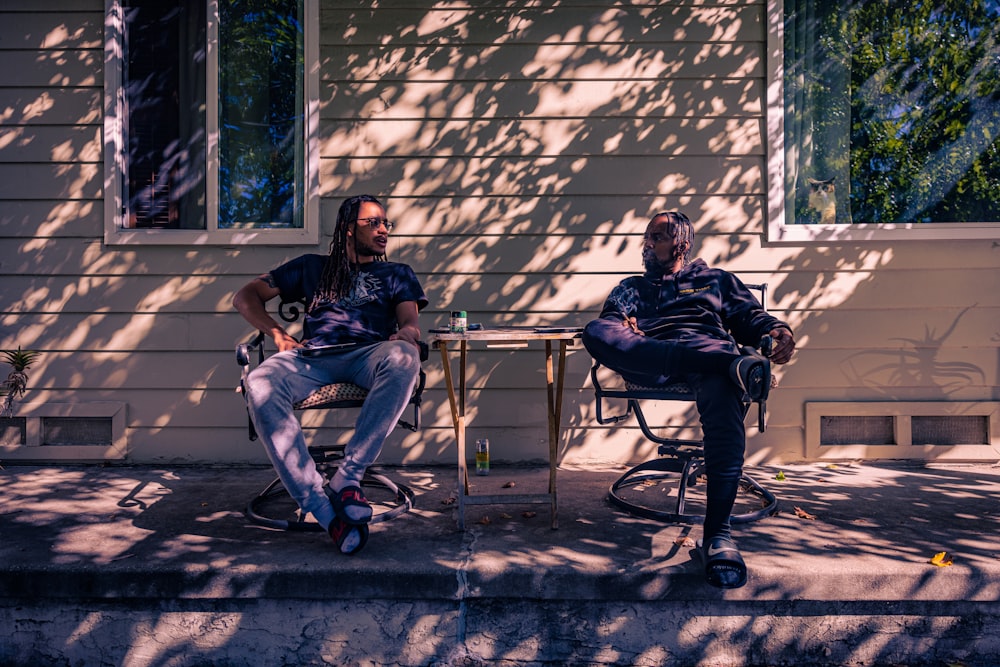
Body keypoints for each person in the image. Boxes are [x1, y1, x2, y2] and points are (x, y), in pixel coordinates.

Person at [582, 211, 795, 588]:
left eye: (657, 237)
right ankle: (731, 366)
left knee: (724, 407)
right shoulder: (633, 286)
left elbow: (751, 317)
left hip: (709, 360)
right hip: (656, 358)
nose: (647, 243)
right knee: (595, 330)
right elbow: (610, 323)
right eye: (646, 236)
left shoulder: (716, 280)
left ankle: (718, 537)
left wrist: (778, 330)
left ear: (680, 244)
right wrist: (620, 326)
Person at [233, 194, 427, 556]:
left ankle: (348, 477)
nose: (384, 230)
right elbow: (246, 296)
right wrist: (277, 334)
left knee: (403, 357)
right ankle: (323, 509)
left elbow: (410, 323)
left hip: (368, 355)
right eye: (373, 223)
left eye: (387, 223)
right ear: (347, 229)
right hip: (313, 358)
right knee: (258, 381)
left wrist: (407, 336)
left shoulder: (397, 273)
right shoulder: (310, 267)